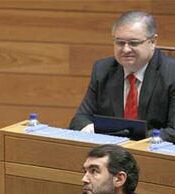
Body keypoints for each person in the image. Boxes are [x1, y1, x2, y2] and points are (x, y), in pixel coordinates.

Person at [69, 11, 175, 143]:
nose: (125, 50)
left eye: (134, 43)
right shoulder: (103, 70)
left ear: (153, 41)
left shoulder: (171, 74)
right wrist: (90, 130)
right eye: (120, 43)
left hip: (156, 155)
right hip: (110, 155)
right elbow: (80, 119)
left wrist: (129, 141)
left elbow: (173, 132)